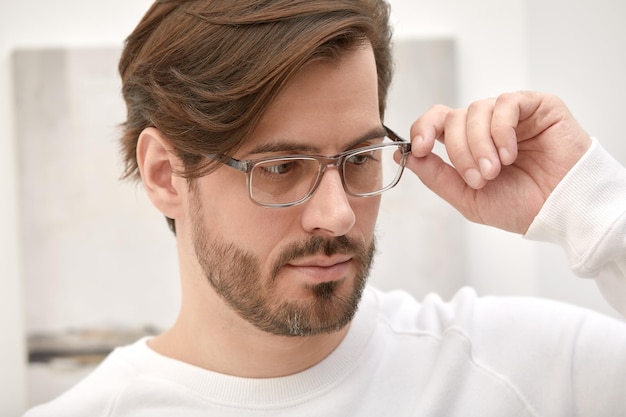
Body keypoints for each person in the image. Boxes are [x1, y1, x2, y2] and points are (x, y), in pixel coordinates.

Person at [24, 0, 626, 415]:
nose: (337, 216)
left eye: (361, 156)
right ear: (165, 175)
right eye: (281, 168)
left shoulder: (522, 369)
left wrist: (595, 210)